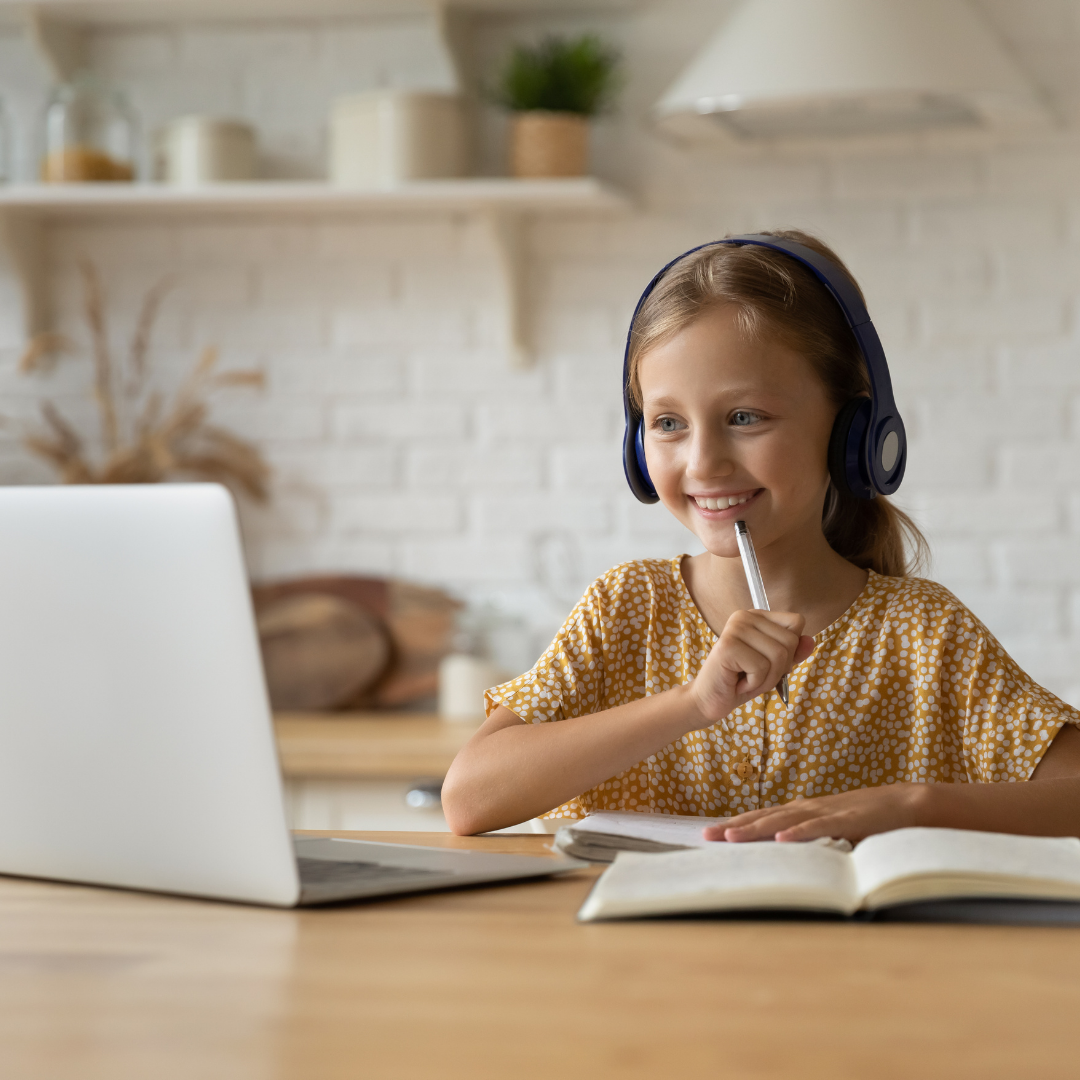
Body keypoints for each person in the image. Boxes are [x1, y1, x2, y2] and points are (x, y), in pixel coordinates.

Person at [441, 229, 1080, 842]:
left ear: (850, 429)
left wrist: (915, 805)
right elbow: (468, 798)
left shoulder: (925, 634)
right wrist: (694, 702)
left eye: (744, 417)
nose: (702, 463)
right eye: (667, 422)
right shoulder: (625, 609)